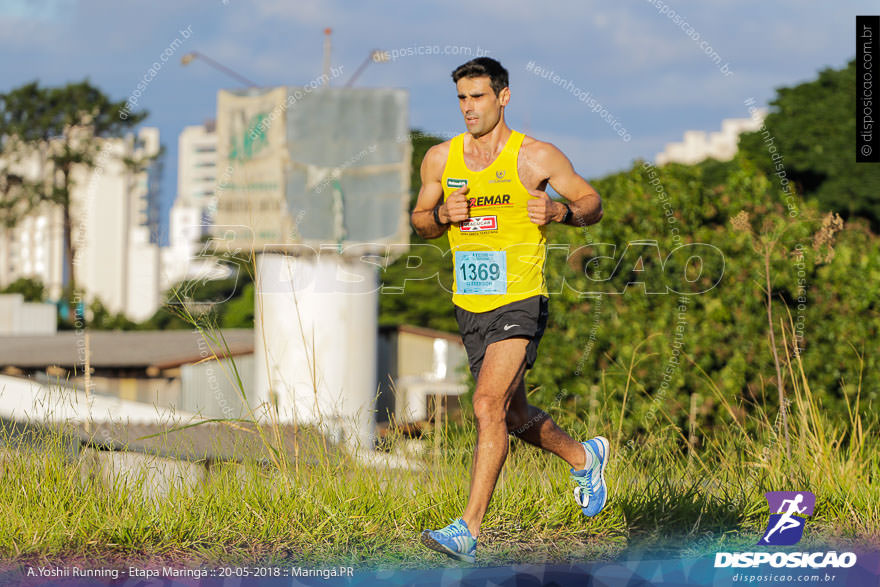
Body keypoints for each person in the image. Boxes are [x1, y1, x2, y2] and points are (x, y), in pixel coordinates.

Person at [410, 57, 607, 564]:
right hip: (469, 304)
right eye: (461, 98)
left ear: (503, 97)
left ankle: (467, 530)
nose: (468, 107)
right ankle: (585, 457)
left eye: (477, 96)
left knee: (484, 406)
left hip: (520, 298)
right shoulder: (440, 158)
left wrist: (561, 211)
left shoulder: (535, 156)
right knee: (513, 414)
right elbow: (419, 222)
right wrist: (438, 216)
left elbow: (591, 201)